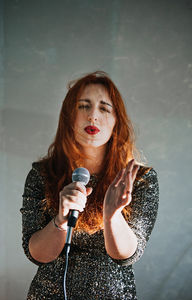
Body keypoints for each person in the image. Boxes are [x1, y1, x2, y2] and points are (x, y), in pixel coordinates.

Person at [20, 71, 159, 300]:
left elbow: (127, 255)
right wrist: (61, 220)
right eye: (83, 106)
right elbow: (36, 254)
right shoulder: (43, 174)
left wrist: (112, 215)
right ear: (69, 117)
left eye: (104, 108)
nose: (93, 116)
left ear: (116, 121)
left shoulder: (140, 179)